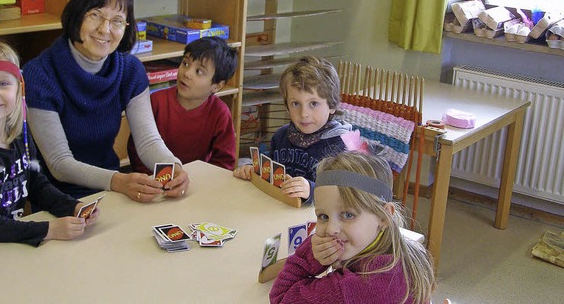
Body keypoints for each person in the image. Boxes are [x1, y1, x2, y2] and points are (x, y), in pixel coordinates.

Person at [22, 0, 189, 202]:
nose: (105, 29)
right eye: (95, 15)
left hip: (109, 191)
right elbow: (59, 163)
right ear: (77, 15)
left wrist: (174, 168)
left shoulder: (130, 70)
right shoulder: (39, 74)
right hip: (56, 198)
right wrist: (118, 181)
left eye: (117, 21)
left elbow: (148, 141)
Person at [0, 40, 99, 247]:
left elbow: (36, 184)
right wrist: (49, 230)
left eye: (3, 83)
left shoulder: (19, 134)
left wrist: (73, 207)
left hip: (6, 241)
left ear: (19, 89)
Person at [269, 151, 436, 303]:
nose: (330, 229)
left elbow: (281, 297)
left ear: (383, 216)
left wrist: (311, 256)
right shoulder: (403, 253)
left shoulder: (350, 288)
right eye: (323, 216)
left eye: (348, 215)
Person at [233, 56, 358, 204]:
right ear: (286, 106)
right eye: (295, 104)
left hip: (319, 221)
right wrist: (252, 169)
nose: (304, 113)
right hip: (278, 211)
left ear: (332, 106)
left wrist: (312, 190)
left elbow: (349, 195)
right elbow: (269, 168)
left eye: (314, 104)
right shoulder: (281, 136)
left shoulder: (343, 146)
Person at [127, 36, 238, 172]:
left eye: (199, 71)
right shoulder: (156, 101)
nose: (187, 73)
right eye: (185, 63)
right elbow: (137, 150)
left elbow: (224, 162)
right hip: (154, 180)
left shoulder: (220, 113)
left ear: (216, 86)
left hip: (199, 181)